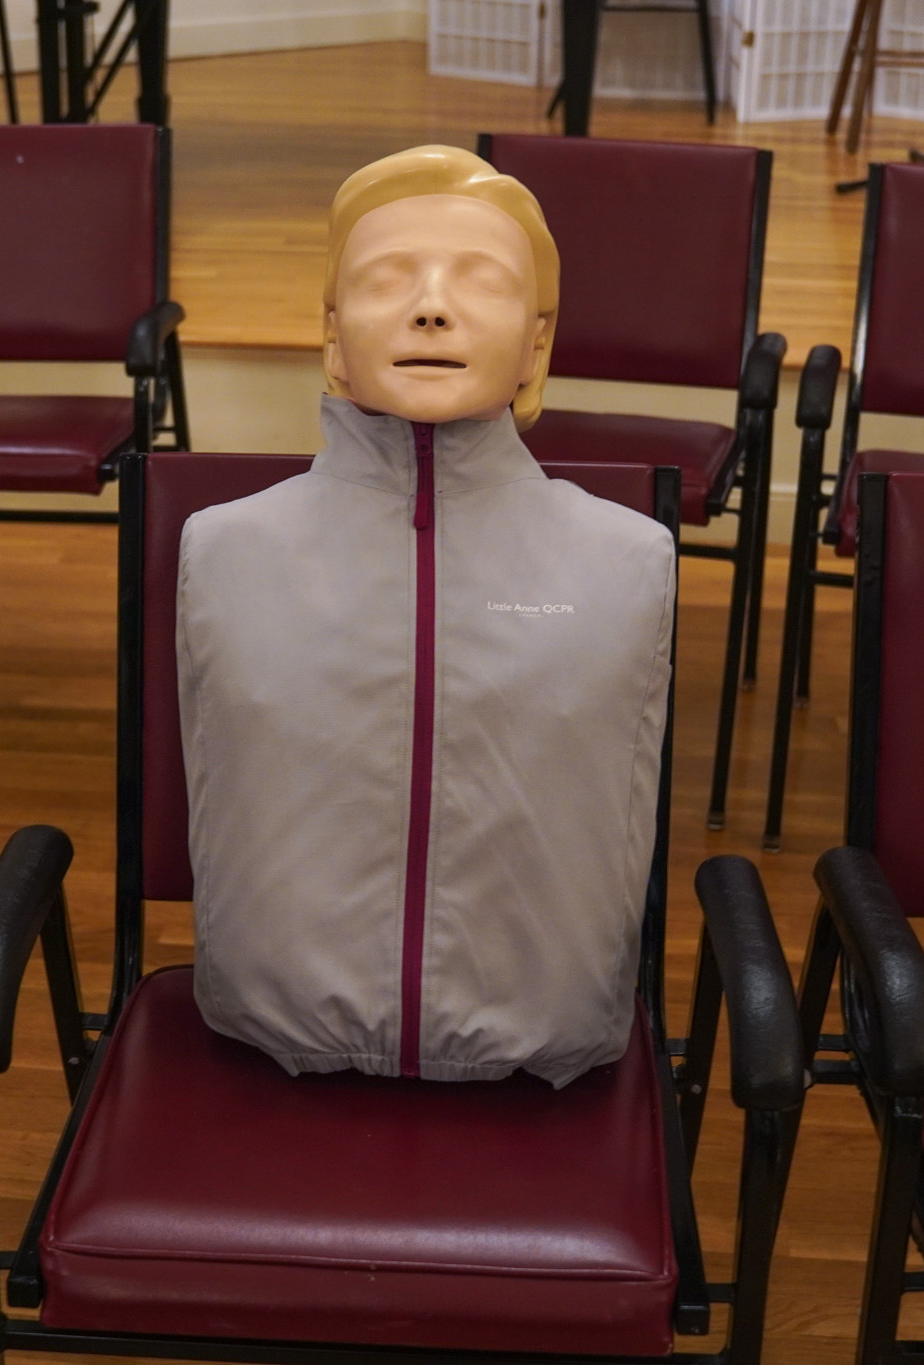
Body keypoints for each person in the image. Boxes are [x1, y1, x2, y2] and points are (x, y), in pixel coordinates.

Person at [175, 145, 676, 1087]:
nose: (432, 305)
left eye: (478, 282)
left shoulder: (626, 561)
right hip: (266, 1034)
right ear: (331, 337)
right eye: (387, 279)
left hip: (551, 1052)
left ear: (538, 343)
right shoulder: (225, 550)